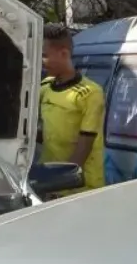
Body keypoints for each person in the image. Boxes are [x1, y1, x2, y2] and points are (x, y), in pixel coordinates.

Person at [38, 24, 106, 192]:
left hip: (80, 187)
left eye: (44, 56)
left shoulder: (90, 93)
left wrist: (63, 182)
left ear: (64, 54)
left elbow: (84, 146)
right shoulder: (45, 87)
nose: (41, 61)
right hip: (50, 184)